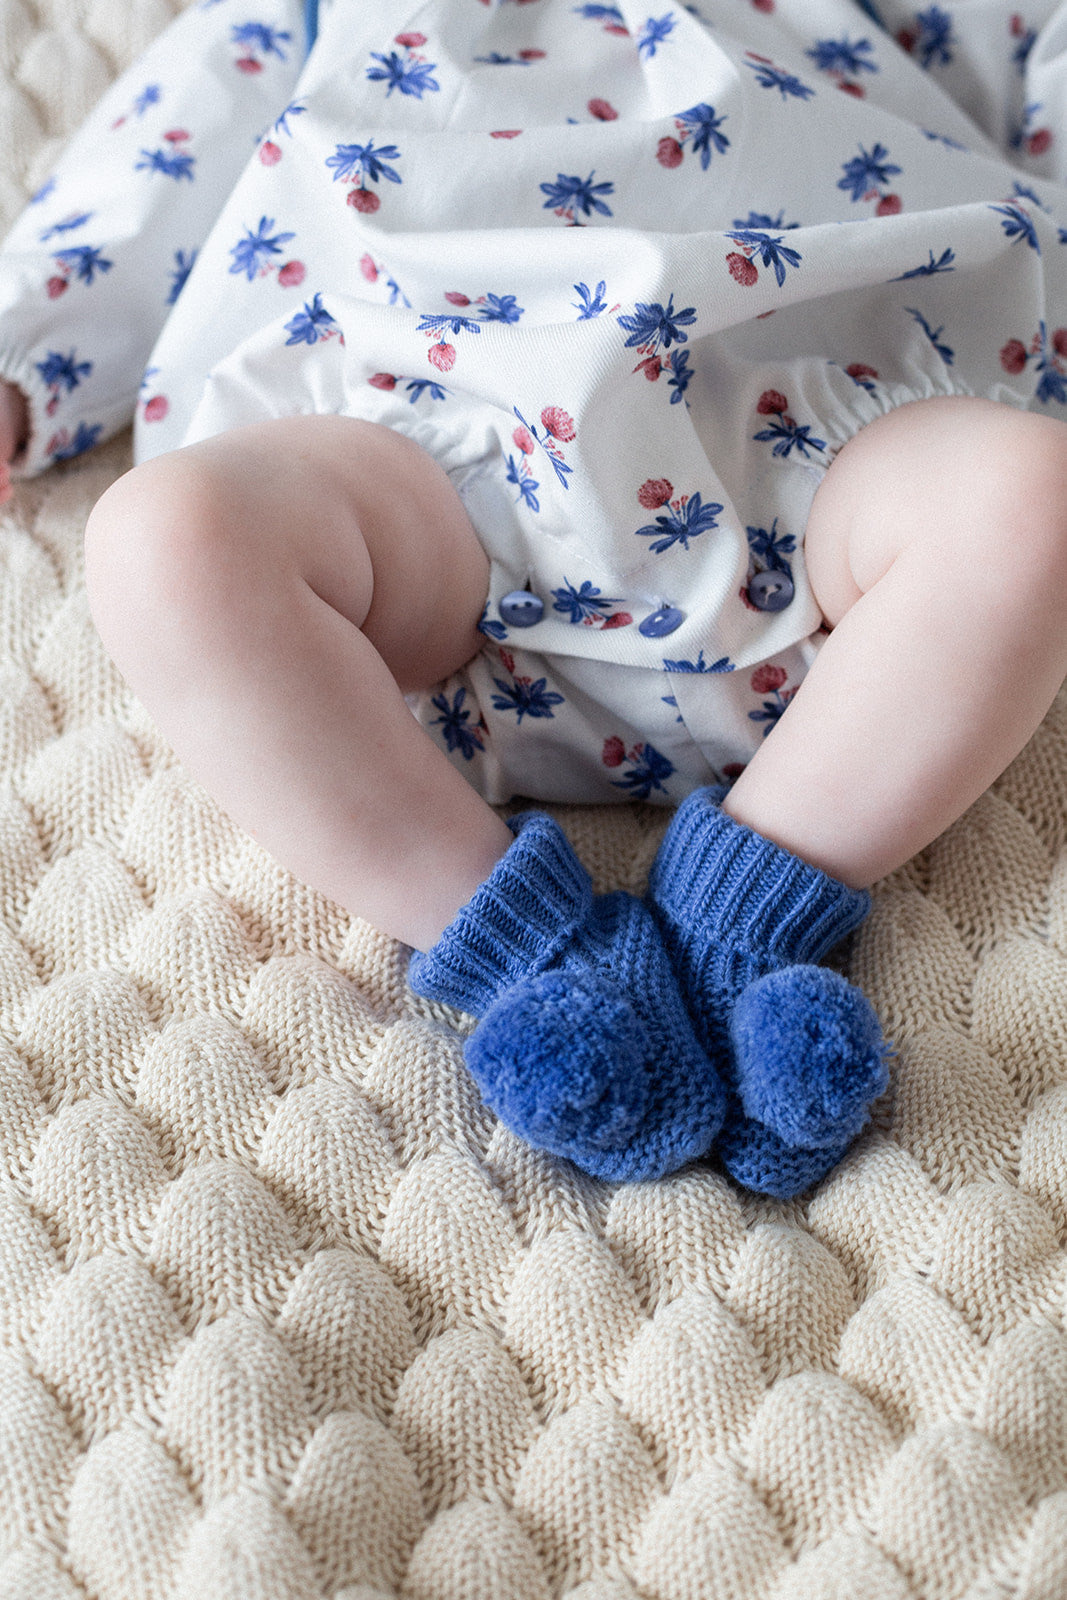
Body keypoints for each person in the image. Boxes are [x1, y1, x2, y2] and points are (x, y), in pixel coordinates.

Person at [1, 0, 1065, 1194]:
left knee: (1028, 502)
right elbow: (172, 139)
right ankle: (534, 963)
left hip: (818, 435)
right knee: (168, 541)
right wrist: (25, 338)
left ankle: (739, 922)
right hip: (429, 461)